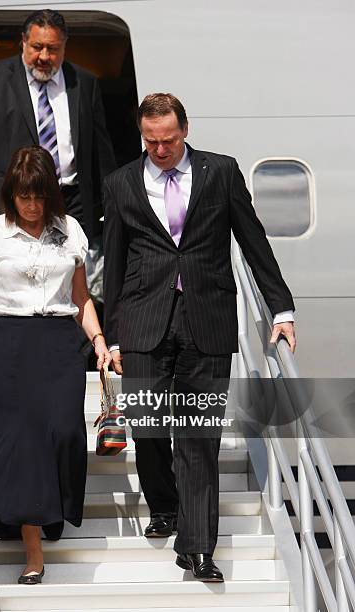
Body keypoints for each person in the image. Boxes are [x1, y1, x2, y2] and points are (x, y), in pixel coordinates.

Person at [103, 93, 296, 582]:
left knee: (199, 436)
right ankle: (165, 504)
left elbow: (253, 241)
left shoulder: (220, 172)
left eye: (168, 140)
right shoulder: (122, 182)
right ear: (142, 136)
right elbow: (117, 262)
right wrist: (112, 336)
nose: (161, 150)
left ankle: (197, 547)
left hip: (206, 321)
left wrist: (281, 307)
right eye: (151, 141)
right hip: (144, 321)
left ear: (185, 130)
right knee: (148, 430)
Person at [0, 146, 111, 584]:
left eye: (39, 197)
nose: (31, 206)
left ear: (50, 194)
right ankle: (33, 549)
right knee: (26, 439)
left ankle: (36, 509)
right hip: (11, 341)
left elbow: (82, 297)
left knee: (67, 430)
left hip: (60, 342)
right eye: (23, 197)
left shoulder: (69, 230)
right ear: (11, 194)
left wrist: (101, 342)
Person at [0, 8, 116, 240]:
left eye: (53, 49)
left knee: (67, 272)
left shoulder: (84, 82)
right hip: (11, 201)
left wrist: (112, 198)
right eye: (37, 47)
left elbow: (101, 148)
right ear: (23, 41)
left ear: (64, 46)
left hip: (70, 201)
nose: (44, 56)